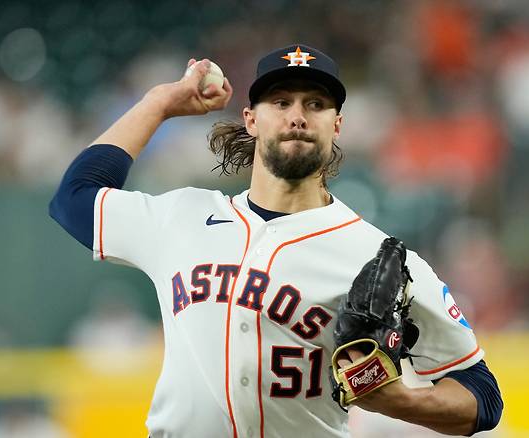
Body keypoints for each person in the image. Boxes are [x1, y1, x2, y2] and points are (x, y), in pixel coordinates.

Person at [50, 44, 502, 438]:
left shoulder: (375, 255)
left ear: (337, 124)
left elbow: (483, 397)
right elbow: (73, 199)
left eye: (316, 103)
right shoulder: (181, 217)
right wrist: (159, 103)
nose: (297, 116)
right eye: (280, 101)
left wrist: (396, 400)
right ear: (250, 119)